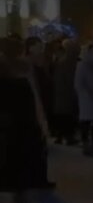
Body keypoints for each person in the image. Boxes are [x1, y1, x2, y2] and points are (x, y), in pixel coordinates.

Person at [0, 38, 46, 203]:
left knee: (19, 200)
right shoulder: (22, 75)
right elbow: (37, 107)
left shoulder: (26, 73)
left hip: (20, 141)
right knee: (12, 201)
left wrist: (43, 129)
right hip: (13, 142)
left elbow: (36, 105)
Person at [24, 37, 56, 189]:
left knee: (40, 147)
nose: (41, 49)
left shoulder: (39, 64)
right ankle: (36, 179)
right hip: (34, 112)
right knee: (37, 147)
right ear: (30, 48)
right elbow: (34, 91)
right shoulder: (28, 66)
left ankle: (39, 178)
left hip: (42, 107)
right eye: (38, 46)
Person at [52, 39, 79, 145]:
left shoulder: (61, 61)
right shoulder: (69, 62)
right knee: (67, 116)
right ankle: (68, 136)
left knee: (63, 115)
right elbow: (70, 78)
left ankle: (61, 136)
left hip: (61, 92)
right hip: (67, 92)